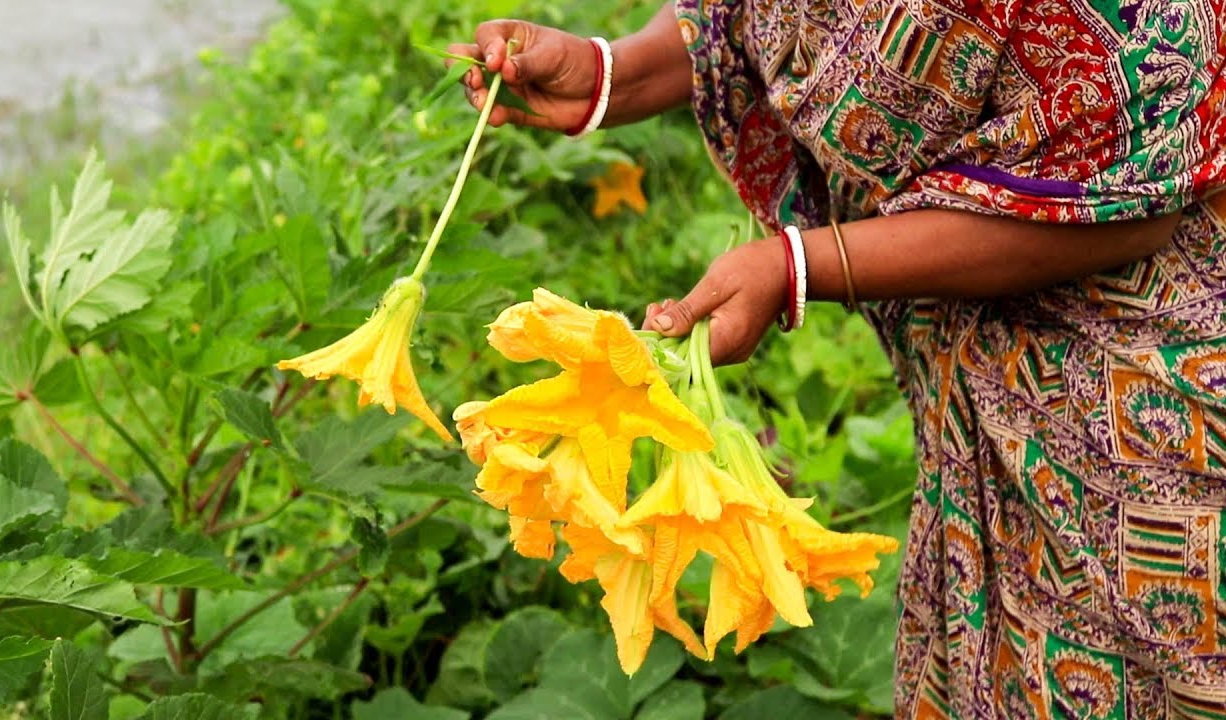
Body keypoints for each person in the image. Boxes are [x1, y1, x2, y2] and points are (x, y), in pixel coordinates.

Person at [451, 3, 1226, 718]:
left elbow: (1130, 205)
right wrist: (610, 70)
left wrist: (794, 268)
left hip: (1143, 419)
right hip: (964, 398)